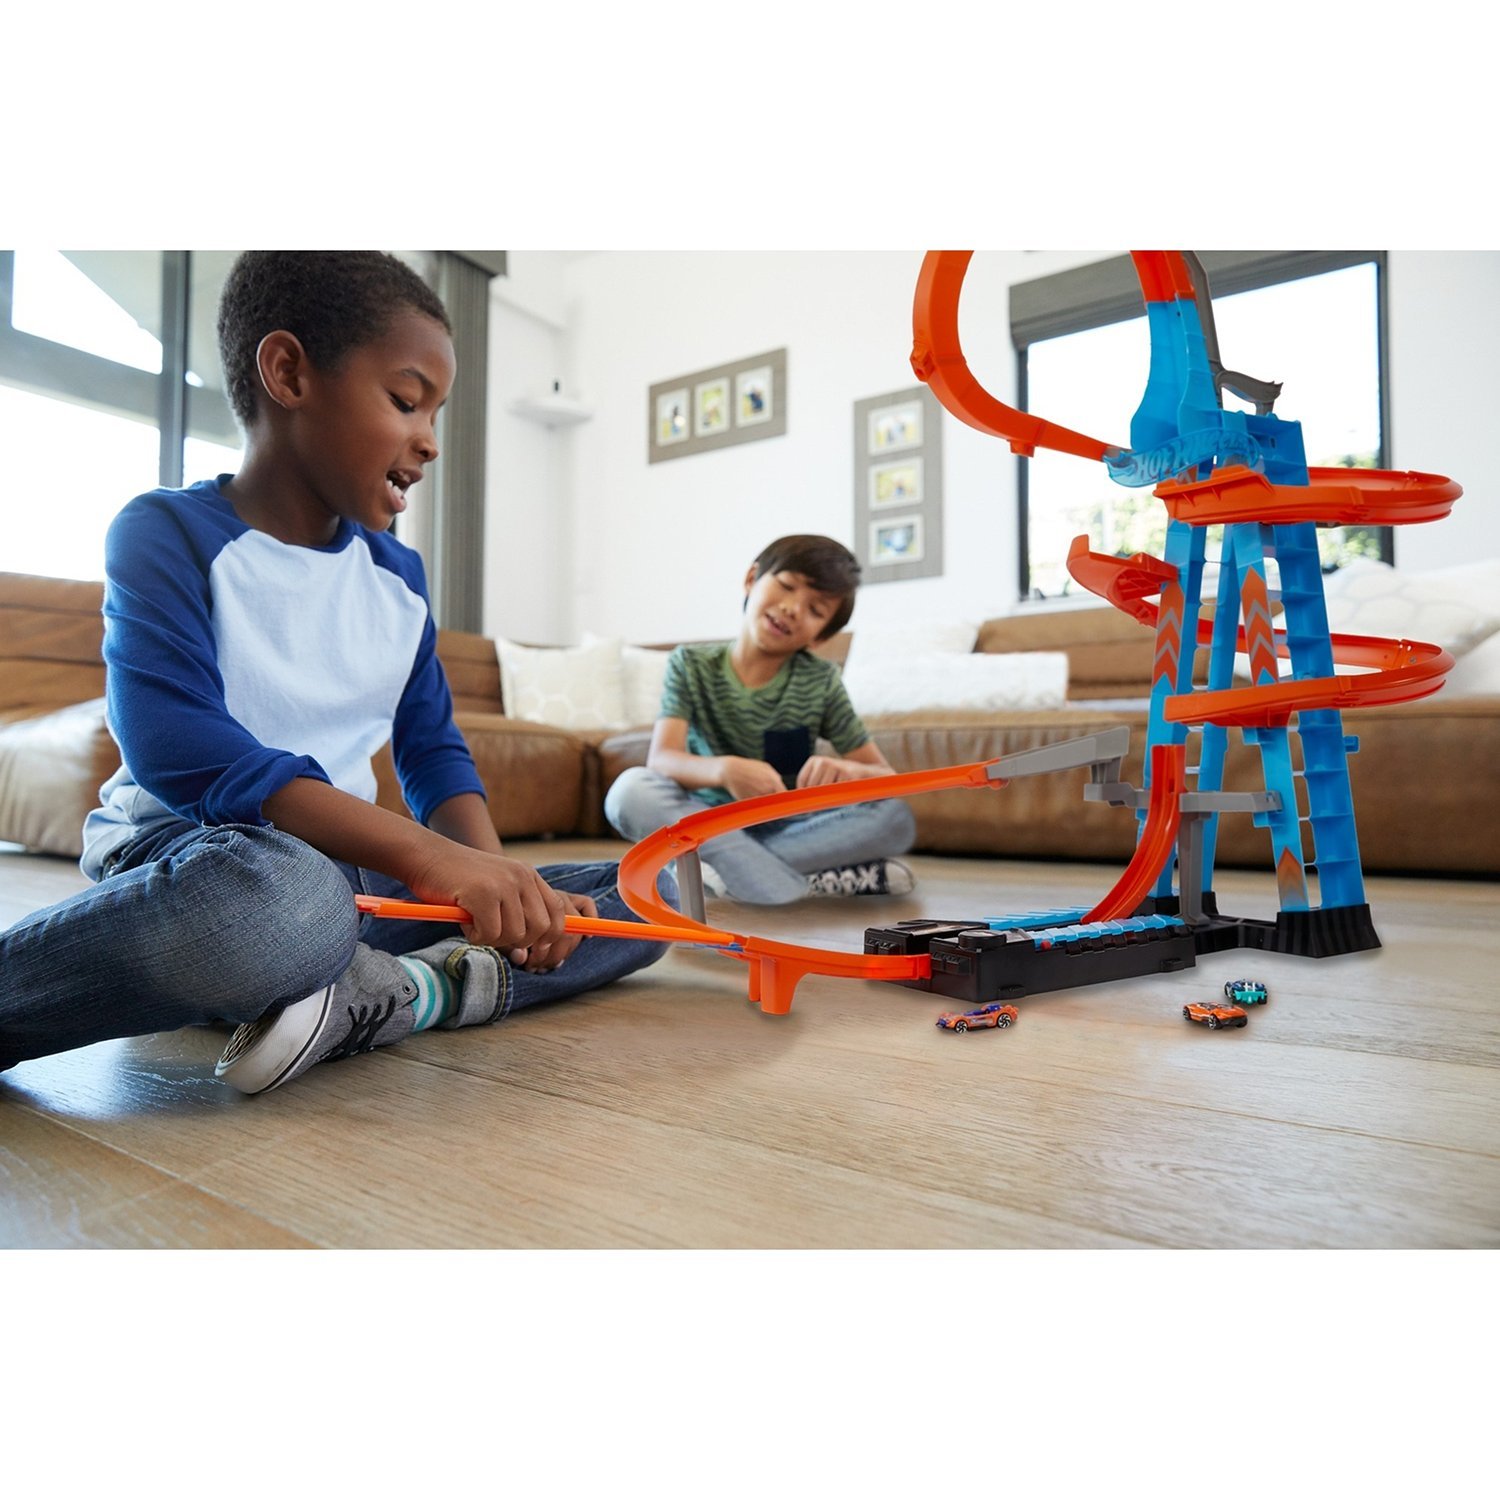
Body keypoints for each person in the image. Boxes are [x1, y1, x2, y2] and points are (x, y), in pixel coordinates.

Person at [0, 251, 673, 1095]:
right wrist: (430, 860)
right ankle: (324, 973)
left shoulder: (400, 578)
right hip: (200, 858)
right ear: (289, 373)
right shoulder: (164, 531)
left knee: (647, 891)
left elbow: (433, 754)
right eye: (406, 400)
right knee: (285, 905)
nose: (430, 440)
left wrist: (504, 892)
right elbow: (177, 747)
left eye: (437, 412)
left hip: (352, 879)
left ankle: (397, 993)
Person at [604, 534, 916, 905]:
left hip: (788, 828)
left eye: (815, 610)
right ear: (752, 579)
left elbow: (888, 780)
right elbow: (662, 759)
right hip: (702, 821)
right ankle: (800, 881)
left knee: (893, 816)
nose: (793, 608)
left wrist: (849, 772)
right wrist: (724, 770)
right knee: (629, 790)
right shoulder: (690, 664)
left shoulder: (821, 680)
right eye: (787, 586)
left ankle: (714, 871)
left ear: (820, 637)